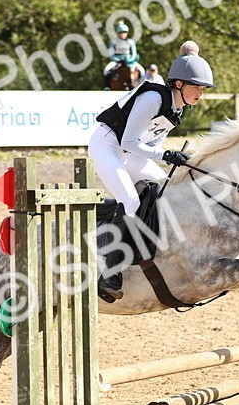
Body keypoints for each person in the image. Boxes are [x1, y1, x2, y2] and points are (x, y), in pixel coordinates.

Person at [87, 41, 214, 302]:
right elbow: (128, 141)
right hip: (108, 146)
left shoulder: (178, 109)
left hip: (130, 153)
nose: (200, 94)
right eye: (196, 87)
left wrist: (171, 157)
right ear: (178, 83)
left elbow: (151, 145)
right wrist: (166, 155)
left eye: (203, 89)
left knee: (167, 190)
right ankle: (109, 274)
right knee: (130, 200)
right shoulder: (153, 98)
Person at [102, 22, 141, 87]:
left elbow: (134, 54)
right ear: (118, 33)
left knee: (142, 70)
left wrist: (130, 60)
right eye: (121, 33)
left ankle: (141, 86)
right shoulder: (114, 42)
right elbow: (111, 55)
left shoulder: (130, 42)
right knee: (106, 70)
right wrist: (119, 59)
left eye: (124, 32)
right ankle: (107, 86)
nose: (123, 34)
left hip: (129, 61)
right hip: (117, 61)